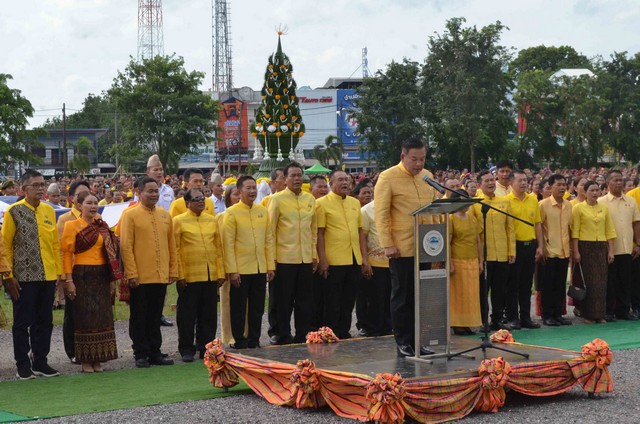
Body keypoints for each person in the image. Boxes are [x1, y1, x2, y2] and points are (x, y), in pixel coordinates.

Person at [374, 138, 436, 357]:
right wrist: (387, 244)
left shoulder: (427, 176)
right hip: (401, 248)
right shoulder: (388, 177)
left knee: (420, 297)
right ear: (403, 156)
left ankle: (418, 341)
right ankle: (403, 341)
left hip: (427, 245)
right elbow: (380, 214)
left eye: (422, 159)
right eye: (414, 159)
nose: (418, 164)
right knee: (402, 297)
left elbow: (434, 208)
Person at [2, 169, 63, 379]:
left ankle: (40, 361)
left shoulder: (48, 211)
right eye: (35, 185)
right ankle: (22, 364)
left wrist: (59, 273)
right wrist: (7, 275)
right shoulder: (13, 211)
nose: (40, 189)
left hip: (47, 275)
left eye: (42, 185)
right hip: (23, 277)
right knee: (22, 322)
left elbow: (55, 245)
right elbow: (5, 246)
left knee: (45, 321)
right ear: (24, 188)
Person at [120, 176, 178, 367]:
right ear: (139, 192)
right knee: (139, 315)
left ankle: (155, 351)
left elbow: (171, 245)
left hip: (160, 274)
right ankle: (140, 353)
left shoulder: (164, 214)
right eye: (150, 191)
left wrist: (172, 269)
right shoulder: (130, 215)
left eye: (156, 191)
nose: (154, 195)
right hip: (141, 275)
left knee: (155, 315)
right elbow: (126, 246)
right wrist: (132, 273)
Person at [61, 191, 119, 373]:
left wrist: (111, 280)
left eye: (95, 203)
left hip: (101, 274)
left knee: (102, 316)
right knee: (84, 317)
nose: (93, 206)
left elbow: (109, 255)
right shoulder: (72, 225)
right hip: (81, 274)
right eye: (88, 203)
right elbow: (66, 254)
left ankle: (99, 358)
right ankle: (86, 360)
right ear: (79, 205)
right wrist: (68, 280)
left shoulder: (102, 226)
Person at [173, 188, 226, 362]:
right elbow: (176, 250)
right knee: (187, 315)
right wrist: (179, 275)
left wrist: (220, 272)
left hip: (210, 275)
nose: (201, 201)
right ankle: (186, 348)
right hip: (189, 276)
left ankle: (206, 347)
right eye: (196, 199)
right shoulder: (178, 221)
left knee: (208, 314)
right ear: (187, 203)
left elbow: (218, 248)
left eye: (202, 198)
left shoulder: (212, 220)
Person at [222, 176, 275, 349]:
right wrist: (232, 270)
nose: (252, 191)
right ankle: (238, 339)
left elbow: (268, 240)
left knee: (257, 306)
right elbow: (227, 244)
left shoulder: (262, 211)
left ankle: (254, 338)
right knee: (238, 306)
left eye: (254, 188)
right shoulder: (231, 213)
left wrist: (270, 266)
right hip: (240, 268)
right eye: (248, 188)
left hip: (259, 266)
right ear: (239, 191)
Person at [267, 162, 317, 344]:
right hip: (284, 258)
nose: (297, 179)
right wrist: (271, 261)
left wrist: (314, 255)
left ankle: (303, 333)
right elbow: (270, 232)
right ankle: (282, 333)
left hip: (305, 258)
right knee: (283, 300)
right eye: (293, 176)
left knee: (304, 300)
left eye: (299, 175)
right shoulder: (277, 199)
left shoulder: (310, 199)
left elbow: (313, 231)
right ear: (285, 179)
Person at [317, 170, 370, 339]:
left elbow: (360, 232)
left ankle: (344, 331)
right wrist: (322, 260)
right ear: (330, 184)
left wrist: (364, 259)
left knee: (349, 299)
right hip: (333, 259)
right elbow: (320, 234)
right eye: (340, 180)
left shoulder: (354, 203)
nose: (345, 183)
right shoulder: (321, 203)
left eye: (346, 180)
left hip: (353, 258)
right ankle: (330, 332)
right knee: (332, 300)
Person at [56, 181, 98, 364]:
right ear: (73, 200)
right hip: (73, 272)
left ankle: (93, 351)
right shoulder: (65, 220)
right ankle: (72, 350)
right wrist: (65, 277)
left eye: (88, 196)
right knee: (73, 313)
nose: (87, 201)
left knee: (92, 313)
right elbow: (61, 249)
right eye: (81, 196)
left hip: (95, 274)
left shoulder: (97, 220)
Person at [472, 170, 515, 331]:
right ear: (479, 185)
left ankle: (497, 319)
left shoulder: (504, 202)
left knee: (500, 289)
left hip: (502, 253)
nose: (490, 183)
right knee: (484, 290)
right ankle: (483, 320)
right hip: (485, 254)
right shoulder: (475, 203)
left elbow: (509, 228)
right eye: (486, 181)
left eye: (492, 180)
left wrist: (512, 251)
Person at [572, 180, 616, 324]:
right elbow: (575, 232)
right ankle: (588, 314)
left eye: (597, 190)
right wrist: (576, 252)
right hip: (585, 247)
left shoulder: (604, 208)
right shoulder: (578, 208)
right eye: (592, 190)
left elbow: (609, 230)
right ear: (585, 192)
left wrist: (611, 251)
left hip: (601, 247)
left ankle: (600, 314)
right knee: (589, 282)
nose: (595, 193)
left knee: (601, 282)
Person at [598, 170, 640, 321]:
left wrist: (638, 244)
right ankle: (609, 310)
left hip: (627, 247)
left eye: (621, 180)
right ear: (608, 183)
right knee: (610, 281)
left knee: (625, 280)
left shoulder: (631, 201)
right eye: (615, 180)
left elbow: (636, 224)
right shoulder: (601, 202)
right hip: (609, 249)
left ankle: (623, 310)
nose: (619, 183)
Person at [505, 170, 543, 329]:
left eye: (525, 180)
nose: (523, 183)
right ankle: (513, 318)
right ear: (511, 183)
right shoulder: (506, 201)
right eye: (520, 180)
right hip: (515, 247)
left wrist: (540, 246)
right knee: (513, 284)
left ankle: (526, 317)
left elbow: (538, 224)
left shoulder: (533, 200)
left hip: (530, 245)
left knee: (527, 285)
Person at [538, 174, 573, 326]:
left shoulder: (568, 205)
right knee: (548, 285)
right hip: (549, 250)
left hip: (564, 250)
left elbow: (570, 228)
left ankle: (558, 314)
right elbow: (538, 227)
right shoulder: (543, 205)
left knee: (560, 285)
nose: (562, 187)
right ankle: (547, 315)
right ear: (551, 186)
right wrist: (542, 247)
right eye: (558, 184)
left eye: (564, 185)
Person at [449, 190, 483, 335]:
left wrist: (481, 261)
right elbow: (448, 242)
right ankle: (457, 324)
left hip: (472, 260)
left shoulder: (472, 218)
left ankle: (468, 323)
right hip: (458, 261)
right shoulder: (450, 219)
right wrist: (449, 262)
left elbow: (477, 241)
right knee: (459, 294)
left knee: (471, 294)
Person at [352, 181, 375, 336]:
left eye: (369, 192)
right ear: (356, 195)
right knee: (362, 294)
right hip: (358, 256)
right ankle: (363, 324)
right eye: (364, 193)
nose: (368, 195)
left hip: (376, 258)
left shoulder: (375, 210)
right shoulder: (359, 211)